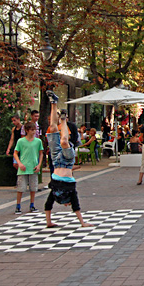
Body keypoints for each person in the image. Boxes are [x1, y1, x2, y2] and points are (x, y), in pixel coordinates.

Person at [43, 90, 93, 228]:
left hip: (55, 160)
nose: (67, 205)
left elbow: (47, 206)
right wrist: (83, 223)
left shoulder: (55, 193)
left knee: (52, 127)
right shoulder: (70, 193)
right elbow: (76, 207)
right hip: (65, 161)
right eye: (68, 205)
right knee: (64, 142)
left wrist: (49, 222)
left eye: (66, 205)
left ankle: (53, 101)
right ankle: (63, 118)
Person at [13, 121, 43, 214]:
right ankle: (18, 205)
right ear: (27, 130)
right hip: (23, 168)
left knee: (33, 188)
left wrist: (39, 165)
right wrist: (19, 163)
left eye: (35, 130)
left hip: (33, 167)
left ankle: (32, 204)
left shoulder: (38, 141)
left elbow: (41, 153)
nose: (34, 132)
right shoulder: (21, 141)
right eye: (32, 130)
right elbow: (15, 153)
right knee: (21, 188)